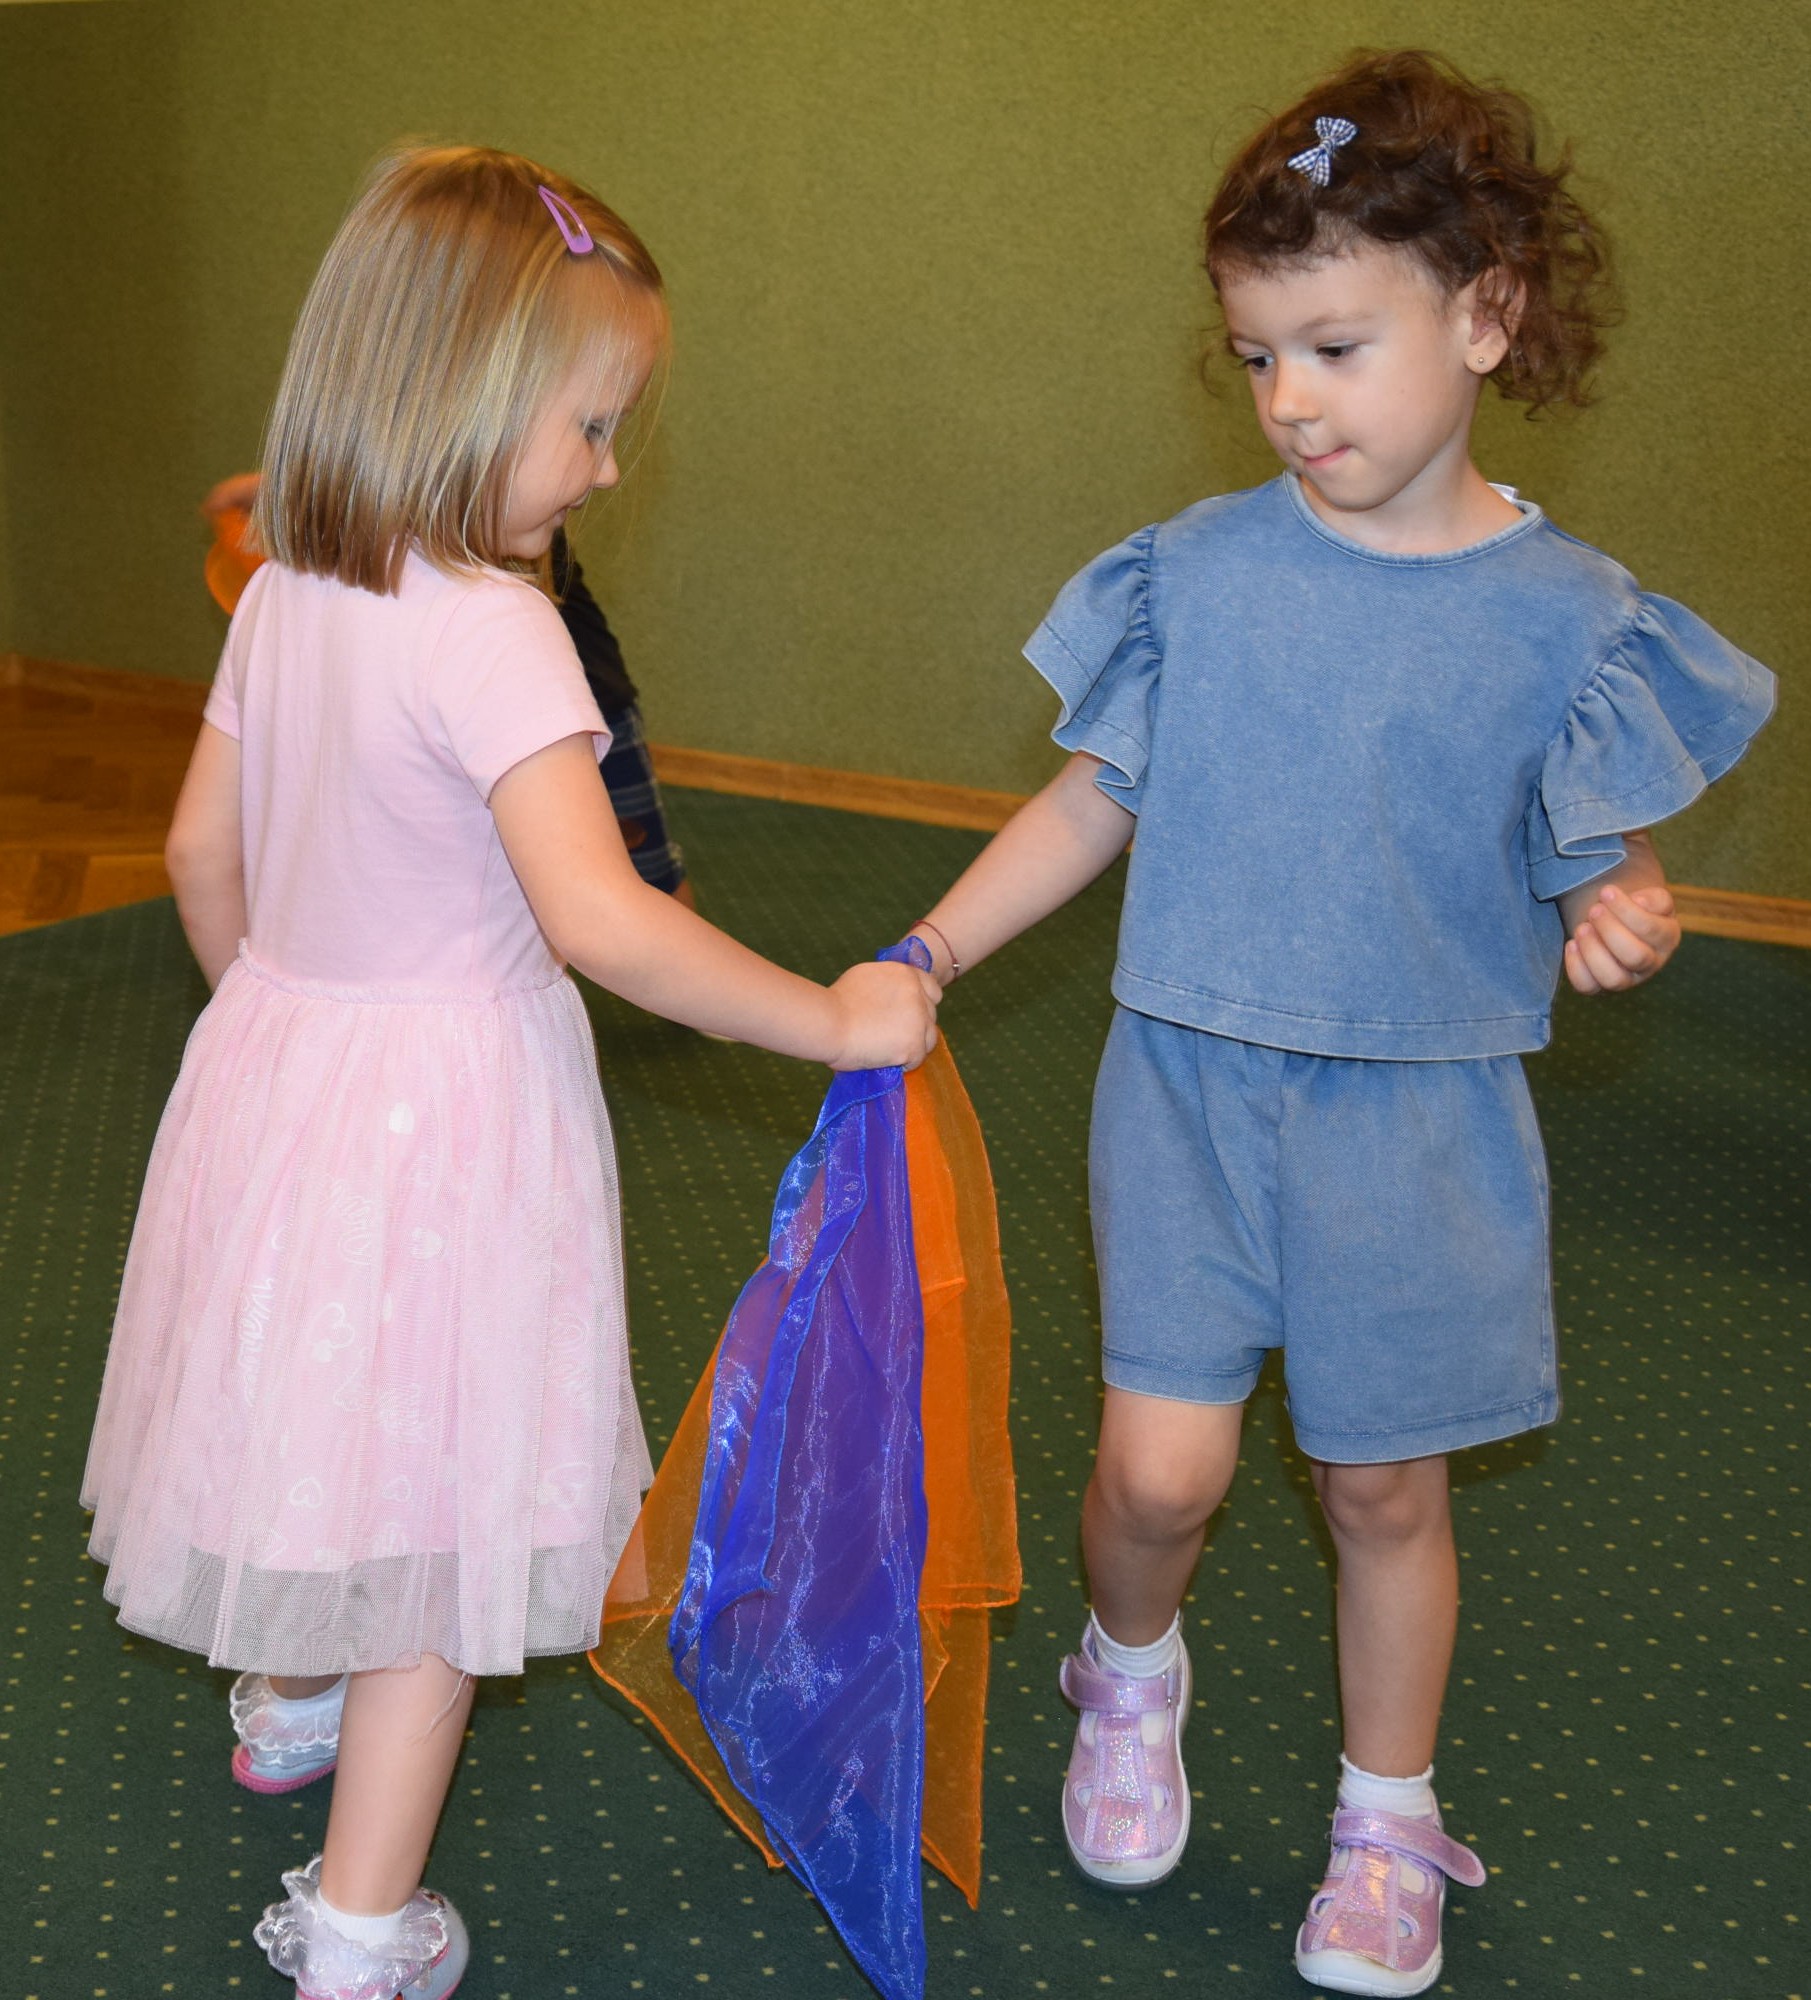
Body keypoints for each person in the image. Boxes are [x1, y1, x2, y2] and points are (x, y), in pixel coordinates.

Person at [902, 50, 1773, 1998]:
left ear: (1484, 317)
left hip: (1418, 1113)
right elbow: (1088, 801)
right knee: (1159, 1474)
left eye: (1332, 347)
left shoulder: (1568, 612)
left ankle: (1385, 1815)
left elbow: (1591, 835)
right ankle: (1128, 1666)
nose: (1288, 400)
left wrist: (1619, 900)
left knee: (1382, 1484)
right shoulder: (1198, 576)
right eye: (1254, 357)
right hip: (1188, 1082)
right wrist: (931, 949)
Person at [83, 144, 939, 2000]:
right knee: (439, 1508)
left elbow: (199, 851)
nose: (611, 469)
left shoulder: (284, 587)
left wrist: (275, 1025)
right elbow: (604, 920)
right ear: (465, 399)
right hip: (456, 1116)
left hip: (283, 1061)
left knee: (306, 1393)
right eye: (593, 425)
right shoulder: (498, 631)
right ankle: (359, 1931)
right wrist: (829, 1015)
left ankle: (285, 1697)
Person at [201, 486, 697, 906]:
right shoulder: (407, 531)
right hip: (479, 732)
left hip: (595, 714)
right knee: (510, 886)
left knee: (646, 876)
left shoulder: (522, 523)